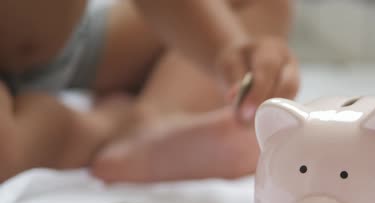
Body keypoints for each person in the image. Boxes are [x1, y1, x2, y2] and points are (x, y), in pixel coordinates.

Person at [0, 0, 299, 182]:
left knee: (258, 4)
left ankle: (152, 124)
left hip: (68, 42)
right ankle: (104, 129)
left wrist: (228, 49)